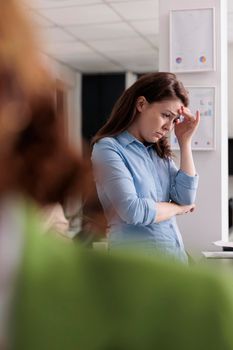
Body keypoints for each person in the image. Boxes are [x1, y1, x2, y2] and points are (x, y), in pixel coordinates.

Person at [91, 73, 200, 263]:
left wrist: (185, 142)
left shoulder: (158, 153)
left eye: (174, 120)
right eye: (165, 115)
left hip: (175, 263)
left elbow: (186, 197)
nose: (169, 127)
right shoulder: (107, 149)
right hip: (135, 269)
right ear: (141, 104)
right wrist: (177, 209)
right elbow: (133, 211)